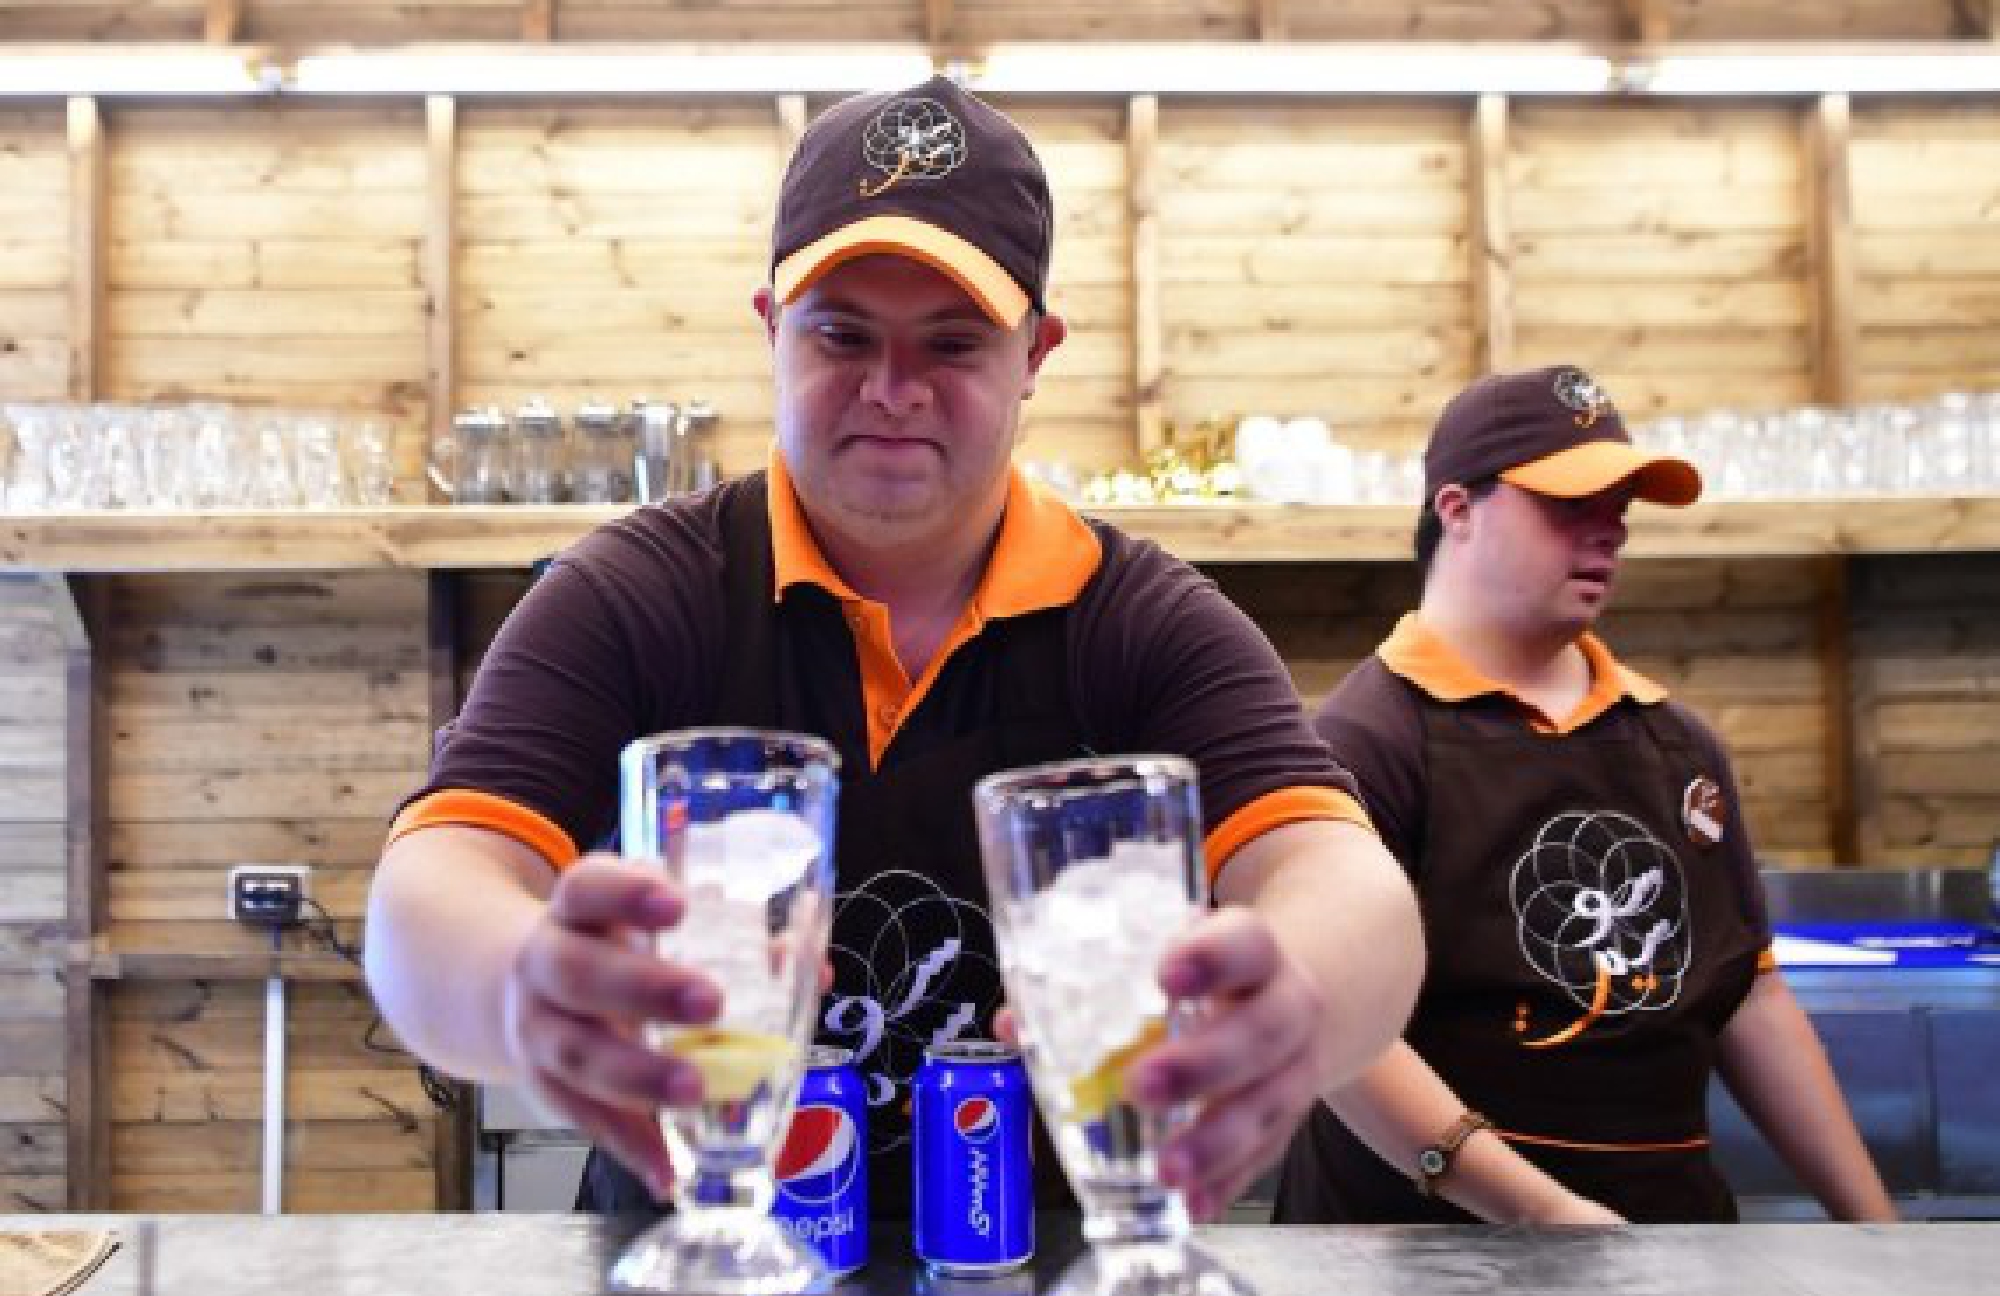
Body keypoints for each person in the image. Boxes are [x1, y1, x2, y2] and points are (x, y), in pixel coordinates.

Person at [365, 75, 1423, 1224]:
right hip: (686, 1290)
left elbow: (1342, 882)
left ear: (1034, 354)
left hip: (1044, 1291)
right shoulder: (635, 593)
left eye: (953, 342)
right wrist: (522, 985)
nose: (890, 390)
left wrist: (1298, 996)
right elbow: (430, 890)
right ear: (771, 330)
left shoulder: (1141, 620)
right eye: (842, 335)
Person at [1272, 365, 1896, 1224]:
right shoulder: (1364, 743)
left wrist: (1876, 1228)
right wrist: (1546, 1217)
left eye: (1619, 510)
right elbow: (1332, 1025)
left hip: (1669, 1255)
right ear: (1457, 511)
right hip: (1420, 1269)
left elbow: (1748, 996)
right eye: (1570, 506)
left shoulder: (1679, 746)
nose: (1609, 534)